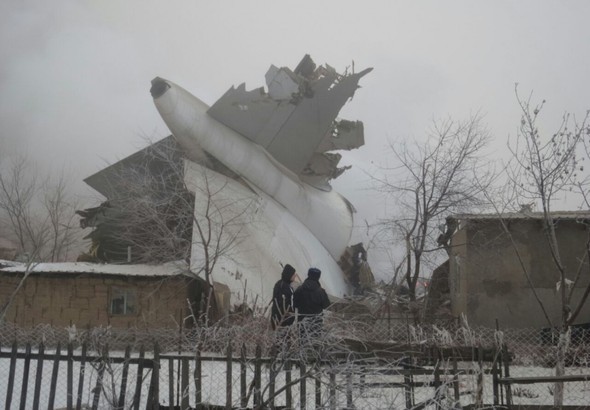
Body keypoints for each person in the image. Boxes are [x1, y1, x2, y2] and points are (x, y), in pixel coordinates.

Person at [293, 267, 330, 341]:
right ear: (318, 277)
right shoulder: (321, 292)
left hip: (302, 323)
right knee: (313, 345)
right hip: (315, 325)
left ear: (308, 275)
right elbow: (327, 305)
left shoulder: (300, 289)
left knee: (302, 344)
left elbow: (294, 304)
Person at [271, 264, 297, 330]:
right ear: (289, 275)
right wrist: (291, 318)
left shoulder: (280, 283)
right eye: (293, 274)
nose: (295, 276)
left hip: (276, 318)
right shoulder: (285, 287)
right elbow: (285, 306)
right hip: (282, 322)